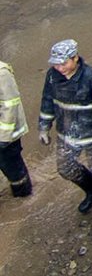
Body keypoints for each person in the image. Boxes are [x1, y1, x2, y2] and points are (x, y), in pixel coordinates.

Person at [38, 39, 92, 225]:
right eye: (56, 64)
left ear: (75, 58)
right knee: (65, 168)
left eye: (64, 63)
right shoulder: (52, 76)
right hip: (66, 133)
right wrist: (44, 126)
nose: (60, 68)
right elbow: (47, 101)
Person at [0, 53, 28, 198]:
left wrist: (3, 138)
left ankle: (22, 193)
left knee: (12, 167)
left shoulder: (2, 73)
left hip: (7, 133)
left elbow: (10, 105)